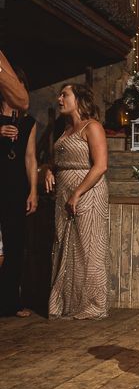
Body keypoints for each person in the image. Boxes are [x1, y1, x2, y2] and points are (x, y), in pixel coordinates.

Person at [45, 84, 109, 319]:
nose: (59, 99)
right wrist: (50, 170)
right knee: (63, 244)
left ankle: (92, 305)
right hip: (64, 190)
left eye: (65, 95)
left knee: (87, 246)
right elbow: (57, 158)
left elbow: (101, 165)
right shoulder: (65, 129)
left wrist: (77, 193)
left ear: (79, 99)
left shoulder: (92, 127)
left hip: (88, 191)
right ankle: (65, 303)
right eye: (60, 95)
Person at [0, 69, 38, 317]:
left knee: (15, 244)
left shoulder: (28, 122)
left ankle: (10, 302)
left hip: (15, 187)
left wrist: (33, 190)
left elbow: (30, 157)